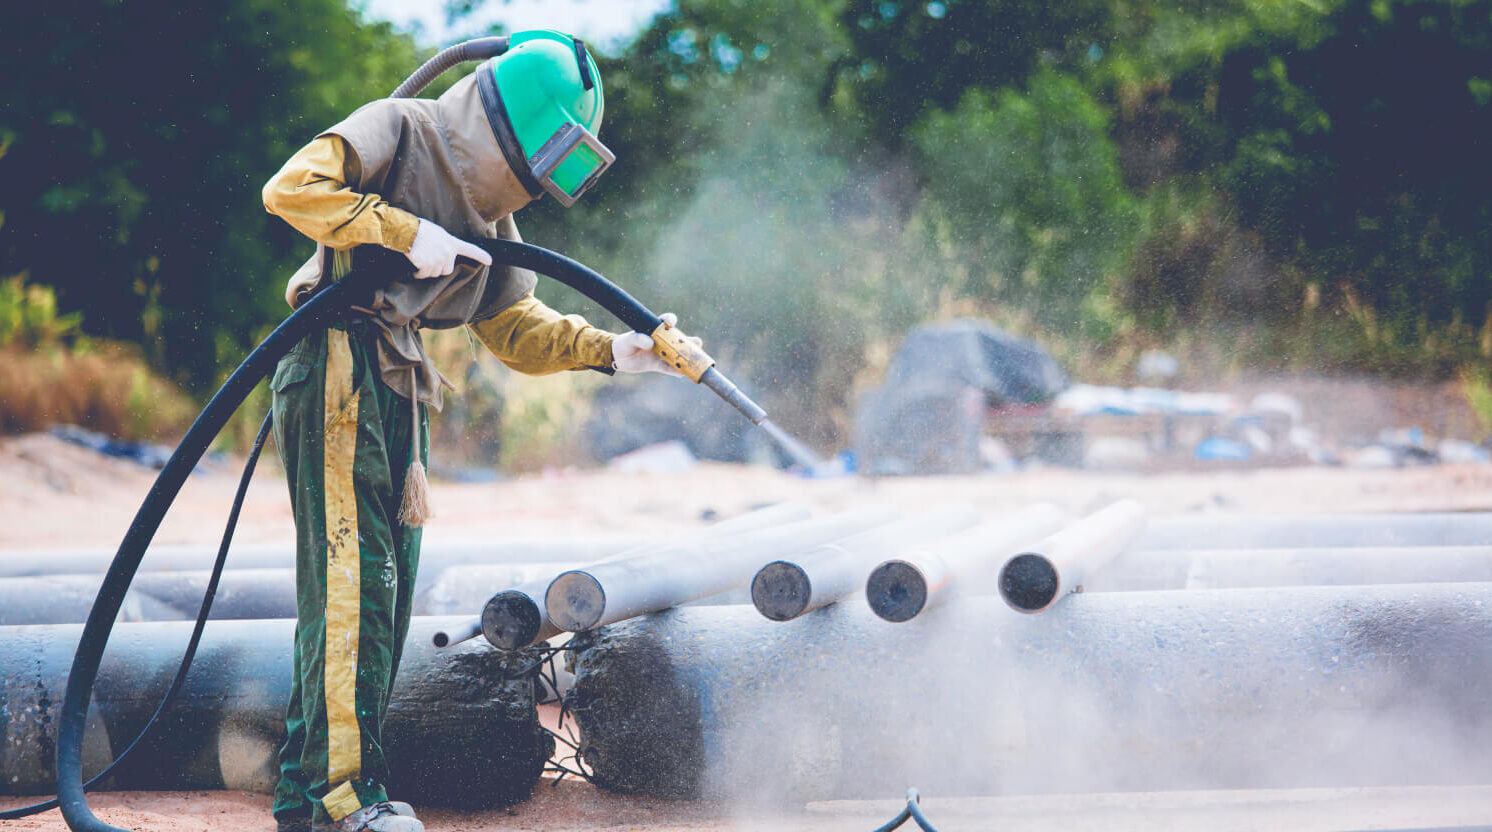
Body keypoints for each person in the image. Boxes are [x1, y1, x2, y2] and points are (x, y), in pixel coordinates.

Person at [259, 30, 679, 832]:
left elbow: (513, 326)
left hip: (394, 383)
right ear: (503, 131)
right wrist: (402, 233)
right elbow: (292, 188)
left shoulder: (492, 218)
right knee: (353, 589)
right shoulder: (401, 127)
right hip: (336, 366)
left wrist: (611, 351)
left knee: (381, 593)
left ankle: (307, 796)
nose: (528, 194)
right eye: (531, 170)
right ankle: (342, 796)